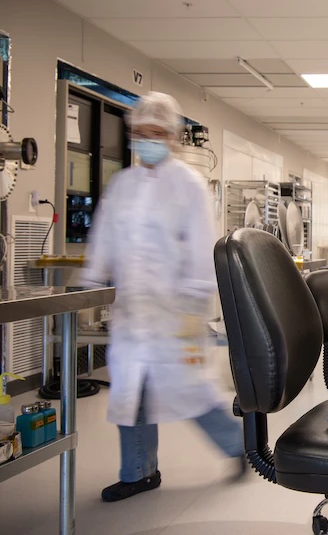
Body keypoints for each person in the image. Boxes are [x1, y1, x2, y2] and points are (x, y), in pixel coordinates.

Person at [80, 92, 244, 502]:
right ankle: (139, 472)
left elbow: (202, 247)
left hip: (177, 312)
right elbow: (104, 236)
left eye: (157, 133)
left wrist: (194, 303)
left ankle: (239, 446)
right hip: (133, 314)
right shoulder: (122, 185)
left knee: (190, 391)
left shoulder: (187, 185)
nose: (148, 140)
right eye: (141, 133)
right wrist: (89, 280)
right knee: (129, 394)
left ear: (172, 138)